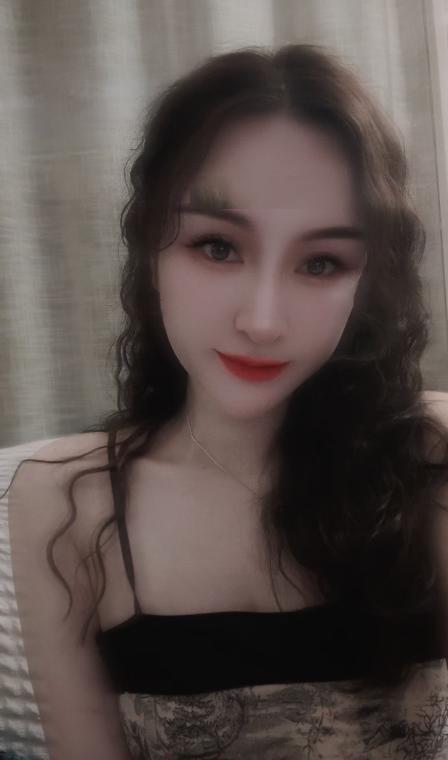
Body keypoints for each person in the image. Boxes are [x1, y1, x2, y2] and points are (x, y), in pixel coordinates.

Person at [4, 42, 448, 760]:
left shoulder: (430, 460)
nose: (262, 321)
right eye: (217, 247)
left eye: (321, 262)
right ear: (151, 249)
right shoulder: (65, 507)